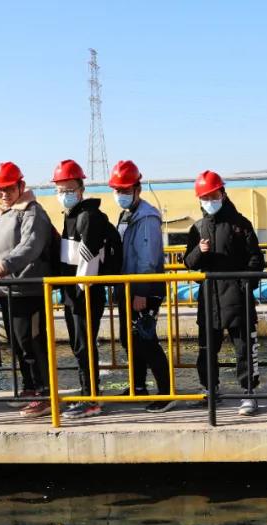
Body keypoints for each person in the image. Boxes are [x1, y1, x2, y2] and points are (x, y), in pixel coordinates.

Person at [184, 170, 264, 417]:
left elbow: (256, 259)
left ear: (223, 194)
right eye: (205, 197)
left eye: (214, 195)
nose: (210, 201)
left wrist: (245, 285)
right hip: (209, 299)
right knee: (207, 349)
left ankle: (249, 393)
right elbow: (188, 263)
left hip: (238, 299)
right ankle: (210, 390)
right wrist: (199, 251)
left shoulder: (240, 224)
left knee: (244, 349)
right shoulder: (197, 228)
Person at [0, 162, 53, 418]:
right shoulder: (7, 213)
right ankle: (31, 387)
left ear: (20, 186)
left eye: (9, 188)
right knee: (18, 343)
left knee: (32, 342)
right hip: (8, 290)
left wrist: (7, 264)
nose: (4, 194)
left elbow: (31, 245)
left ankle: (45, 394)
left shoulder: (32, 212)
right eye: (0, 190)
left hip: (27, 289)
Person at [108, 160, 174, 412]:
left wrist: (142, 292)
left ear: (137, 189)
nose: (121, 195)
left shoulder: (146, 218)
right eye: (117, 190)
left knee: (146, 340)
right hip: (128, 287)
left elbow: (148, 259)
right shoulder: (128, 215)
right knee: (129, 339)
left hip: (143, 290)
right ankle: (138, 386)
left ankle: (166, 392)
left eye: (125, 190)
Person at [53, 159, 116, 419]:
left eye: (69, 189)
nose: (64, 194)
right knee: (80, 347)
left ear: (80, 189)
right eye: (60, 190)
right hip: (74, 294)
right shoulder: (72, 216)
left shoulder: (88, 217)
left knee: (84, 346)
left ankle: (92, 399)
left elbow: (88, 260)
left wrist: (79, 292)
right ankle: (87, 394)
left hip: (84, 294)